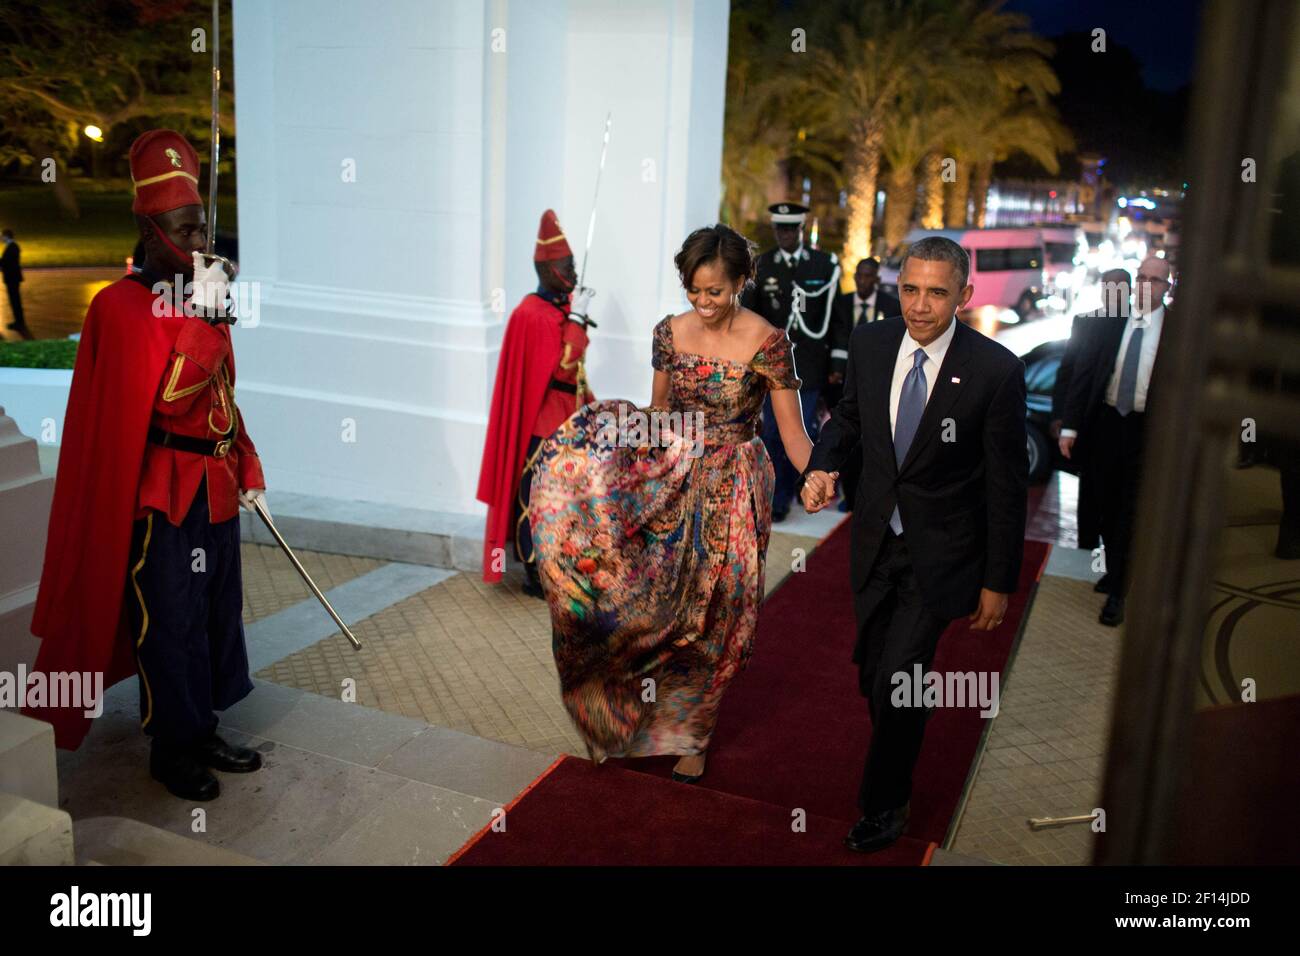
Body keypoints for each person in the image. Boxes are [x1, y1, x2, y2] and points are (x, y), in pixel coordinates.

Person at [25, 130, 267, 801]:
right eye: (184, 229)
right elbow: (169, 399)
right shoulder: (119, 307)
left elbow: (222, 402)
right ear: (147, 229)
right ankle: (172, 744)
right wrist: (208, 323)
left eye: (202, 228)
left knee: (217, 611)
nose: (197, 243)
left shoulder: (198, 295)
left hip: (213, 488)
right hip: (162, 495)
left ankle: (205, 724)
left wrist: (248, 469)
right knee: (171, 617)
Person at [530, 223, 813, 783]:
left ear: (741, 282)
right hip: (671, 477)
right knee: (651, 606)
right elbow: (658, 417)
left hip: (734, 484)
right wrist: (599, 468)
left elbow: (794, 434)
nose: (704, 303)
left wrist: (823, 476)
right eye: (694, 290)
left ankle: (694, 734)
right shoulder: (669, 333)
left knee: (717, 614)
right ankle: (625, 719)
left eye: (716, 291)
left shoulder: (768, 341)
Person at [800, 235, 1028, 853]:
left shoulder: (995, 370)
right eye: (910, 289)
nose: (920, 306)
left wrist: (999, 580)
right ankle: (908, 716)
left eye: (936, 292)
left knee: (899, 676)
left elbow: (1007, 489)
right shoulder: (872, 344)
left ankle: (886, 803)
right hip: (873, 542)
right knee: (876, 676)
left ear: (964, 295)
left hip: (944, 556)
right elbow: (848, 419)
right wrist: (823, 466)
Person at [477, 209, 596, 598]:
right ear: (547, 269)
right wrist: (577, 320)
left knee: (568, 502)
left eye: (574, 264)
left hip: (569, 420)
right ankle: (534, 570)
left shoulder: (554, 309)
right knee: (539, 501)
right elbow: (563, 367)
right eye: (568, 265)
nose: (574, 273)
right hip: (543, 425)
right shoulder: (532, 315)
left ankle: (564, 564)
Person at [1059, 254, 1173, 626]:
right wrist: (1070, 427)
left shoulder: (1176, 332)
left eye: (1153, 280)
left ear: (1166, 288)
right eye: (1140, 276)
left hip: (1147, 432)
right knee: (1103, 504)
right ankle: (1114, 568)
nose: (1144, 285)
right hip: (1105, 424)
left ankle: (1119, 592)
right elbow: (1084, 375)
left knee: (1130, 511)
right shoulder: (1109, 323)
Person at [741, 202, 840, 522]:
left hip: (809, 365)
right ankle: (778, 496)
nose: (783, 235)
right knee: (772, 433)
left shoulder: (824, 265)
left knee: (803, 428)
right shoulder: (763, 264)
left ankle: (800, 486)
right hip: (771, 366)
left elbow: (837, 318)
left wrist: (838, 360)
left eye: (789, 229)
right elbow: (750, 315)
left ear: (800, 230)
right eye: (778, 229)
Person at [1051, 267, 1132, 587]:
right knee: (1089, 499)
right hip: (1088, 426)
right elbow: (1068, 372)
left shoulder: (1137, 324)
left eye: (1118, 287)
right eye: (1107, 286)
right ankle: (1085, 560)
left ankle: (1113, 564)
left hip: (1117, 424)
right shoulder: (1086, 322)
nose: (1111, 292)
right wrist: (1062, 416)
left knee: (1118, 499)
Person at [828, 257, 901, 512]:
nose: (863, 281)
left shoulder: (891, 306)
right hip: (844, 386)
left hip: (879, 388)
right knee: (847, 442)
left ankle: (872, 495)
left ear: (877, 279)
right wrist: (835, 372)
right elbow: (835, 339)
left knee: (872, 444)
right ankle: (849, 495)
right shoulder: (842, 303)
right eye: (859, 275)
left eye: (868, 276)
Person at [1, 228, 29, 338]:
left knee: (15, 301)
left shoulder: (12, 247)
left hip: (12, 278)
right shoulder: (12, 247)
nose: (1, 238)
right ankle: (18, 322)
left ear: (7, 236)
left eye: (2, 236)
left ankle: (19, 322)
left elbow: (6, 262)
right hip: (13, 278)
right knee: (15, 300)